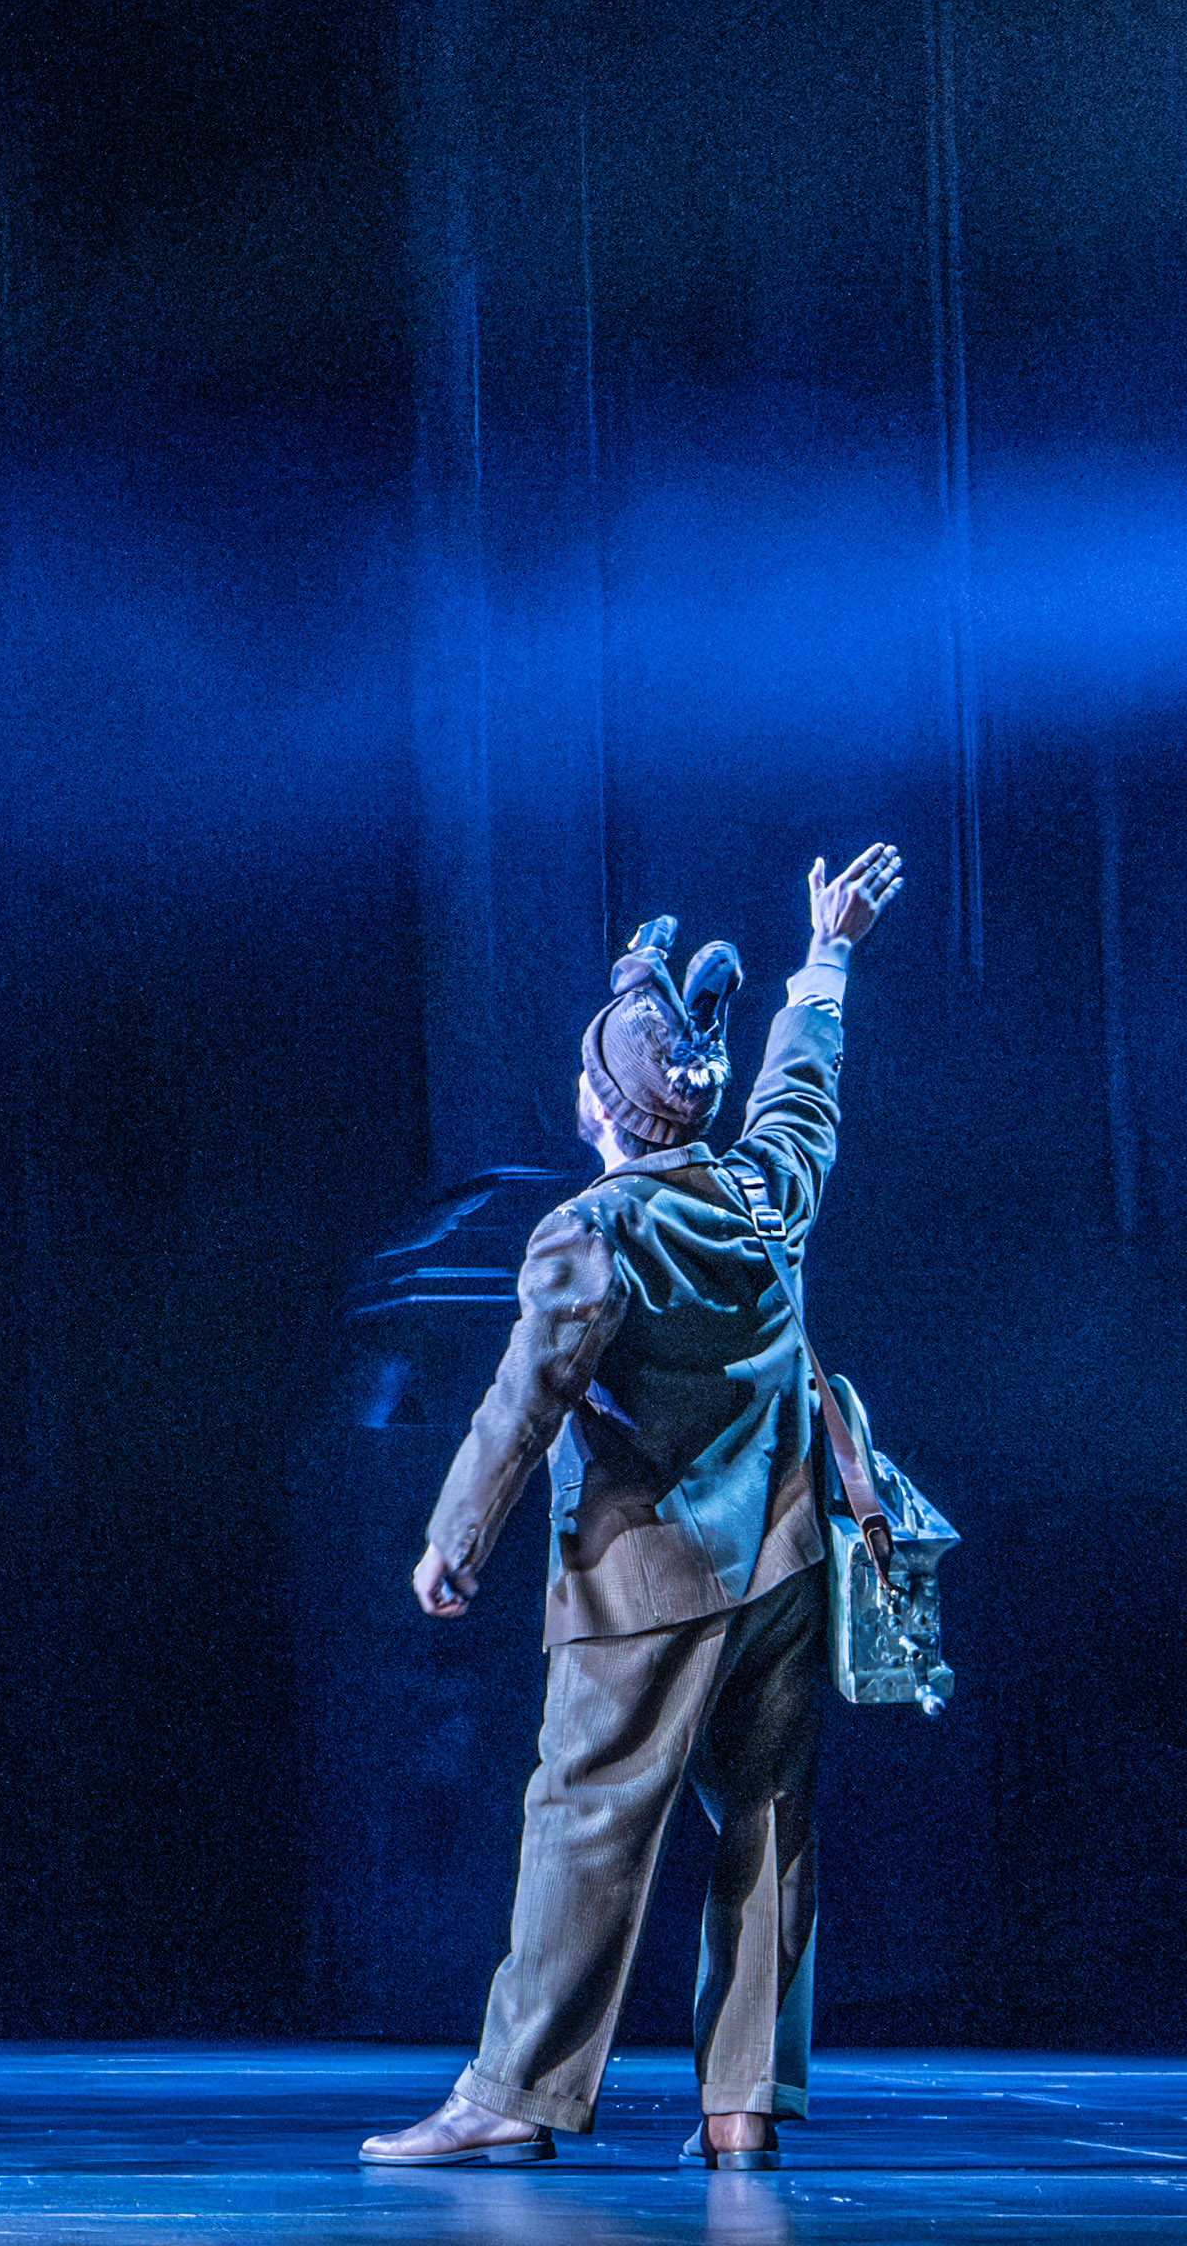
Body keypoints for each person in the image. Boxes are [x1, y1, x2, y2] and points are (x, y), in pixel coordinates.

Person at [365, 841, 904, 2173]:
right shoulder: (759, 1196)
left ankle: (516, 2091)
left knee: (585, 1820)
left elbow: (521, 1396)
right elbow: (800, 1095)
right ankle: (740, 2107)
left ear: (599, 1106)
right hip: (781, 1563)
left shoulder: (589, 1230)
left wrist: (453, 1535)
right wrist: (822, 955)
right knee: (767, 1829)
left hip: (641, 1582)